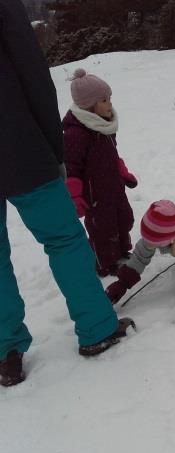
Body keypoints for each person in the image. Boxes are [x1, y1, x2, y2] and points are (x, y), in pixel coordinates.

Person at [0, 0, 134, 387]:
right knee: (64, 240)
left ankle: (6, 353)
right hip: (18, 145)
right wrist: (53, 147)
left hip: (17, 144)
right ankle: (96, 328)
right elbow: (32, 74)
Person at [64, 68, 138, 277]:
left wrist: (122, 172)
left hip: (114, 188)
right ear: (89, 105)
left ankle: (122, 251)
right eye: (104, 100)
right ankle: (104, 263)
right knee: (102, 230)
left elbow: (113, 156)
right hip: (95, 196)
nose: (110, 104)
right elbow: (71, 169)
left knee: (124, 219)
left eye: (110, 98)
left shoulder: (104, 127)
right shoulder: (75, 135)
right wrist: (75, 197)